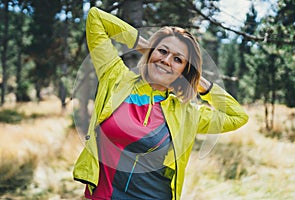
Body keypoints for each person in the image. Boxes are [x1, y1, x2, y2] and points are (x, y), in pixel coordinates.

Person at [73, 7, 249, 200]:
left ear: (185, 69)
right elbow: (96, 18)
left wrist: (198, 81)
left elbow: (237, 116)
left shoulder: (186, 113)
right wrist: (143, 45)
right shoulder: (116, 78)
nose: (166, 60)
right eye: (162, 51)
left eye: (177, 59)